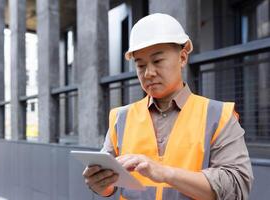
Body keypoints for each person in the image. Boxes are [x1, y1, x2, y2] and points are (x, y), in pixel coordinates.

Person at [82, 13, 254, 200]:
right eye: (140, 65)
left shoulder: (219, 116)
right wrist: (100, 185)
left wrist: (165, 174)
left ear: (182, 58)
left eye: (157, 61)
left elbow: (237, 187)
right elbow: (109, 185)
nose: (148, 73)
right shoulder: (121, 118)